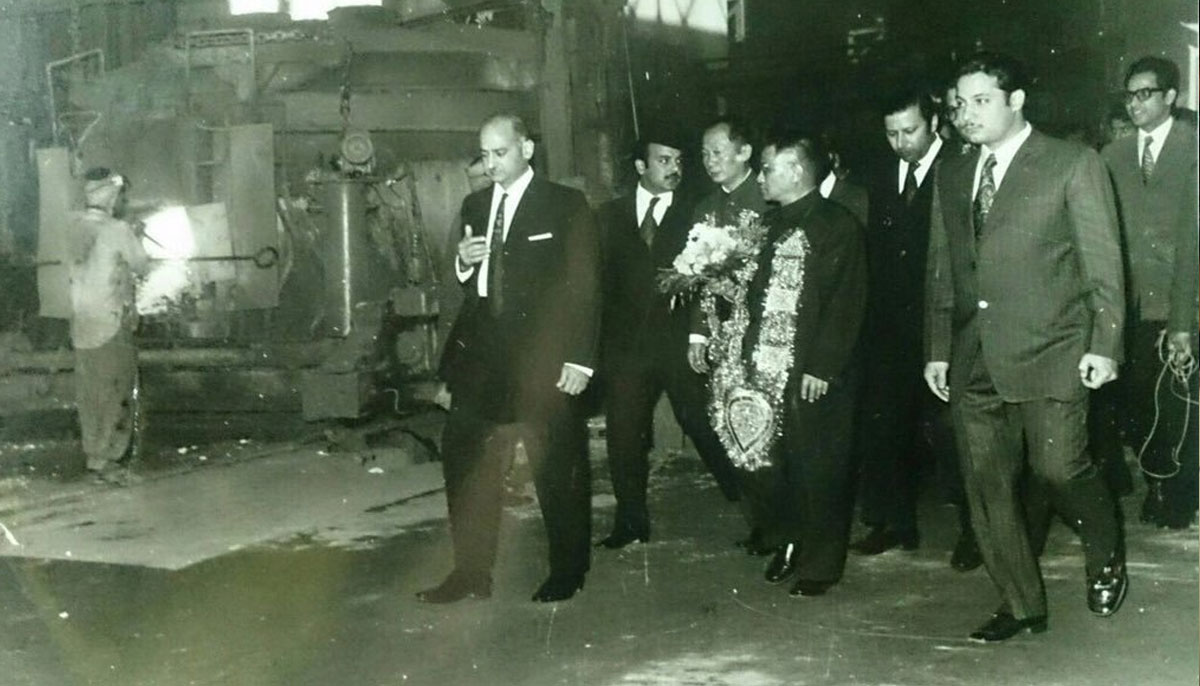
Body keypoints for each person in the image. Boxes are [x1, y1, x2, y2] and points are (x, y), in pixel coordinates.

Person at [924, 52, 1128, 642]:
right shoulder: (954, 172)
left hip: (1055, 348)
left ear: (1017, 101)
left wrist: (1105, 343)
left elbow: (1103, 262)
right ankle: (1020, 603)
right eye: (959, 103)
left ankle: (1106, 550)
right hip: (973, 354)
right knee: (986, 486)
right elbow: (944, 267)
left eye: (980, 100)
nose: (966, 114)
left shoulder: (1071, 163)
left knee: (1059, 468)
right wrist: (938, 345)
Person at [419, 113, 601, 604]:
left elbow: (585, 288)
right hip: (480, 356)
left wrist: (580, 361)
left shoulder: (565, 205)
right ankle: (470, 573)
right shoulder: (475, 204)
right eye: (484, 155)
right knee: (464, 461)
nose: (490, 164)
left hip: (543, 357)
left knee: (555, 464)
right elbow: (473, 284)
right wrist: (465, 261)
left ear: (527, 149)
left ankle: (568, 569)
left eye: (500, 153)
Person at [709, 133, 866, 597]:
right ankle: (789, 539)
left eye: (768, 168)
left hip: (811, 373)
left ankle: (819, 565)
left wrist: (823, 367)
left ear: (797, 170)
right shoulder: (765, 224)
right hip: (760, 370)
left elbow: (846, 304)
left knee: (818, 469)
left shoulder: (837, 226)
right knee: (765, 464)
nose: (761, 177)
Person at [850, 87, 981, 571]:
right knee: (882, 425)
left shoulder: (963, 166)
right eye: (892, 133)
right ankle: (893, 523)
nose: (901, 142)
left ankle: (977, 528)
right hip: (888, 325)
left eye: (910, 131)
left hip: (944, 322)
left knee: (952, 432)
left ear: (934, 124)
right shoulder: (878, 172)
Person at [594, 129, 741, 549]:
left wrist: (698, 333)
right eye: (663, 160)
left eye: (678, 161)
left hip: (678, 343)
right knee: (623, 435)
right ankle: (631, 523)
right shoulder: (608, 216)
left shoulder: (698, 213)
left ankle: (746, 496)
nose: (674, 168)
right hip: (625, 349)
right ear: (641, 166)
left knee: (699, 422)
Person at [1101, 56, 1199, 529]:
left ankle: (1176, 491)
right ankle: (1159, 476)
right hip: (1129, 304)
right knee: (1137, 403)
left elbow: (1193, 241)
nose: (1135, 102)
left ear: (1170, 98)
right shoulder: (1112, 156)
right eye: (1130, 94)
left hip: (1184, 300)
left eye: (1145, 93)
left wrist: (1183, 321)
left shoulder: (1194, 147)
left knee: (1179, 403)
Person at [689, 117, 771, 552]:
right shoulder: (704, 208)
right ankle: (758, 522)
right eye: (704, 154)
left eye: (718, 152)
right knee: (731, 427)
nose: (710, 161)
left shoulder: (768, 198)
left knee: (769, 431)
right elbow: (698, 279)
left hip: (766, 337)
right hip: (723, 340)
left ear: (744, 153)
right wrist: (698, 336)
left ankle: (781, 525)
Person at [68, 167, 149, 484]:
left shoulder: (72, 227)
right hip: (111, 322)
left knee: (89, 392)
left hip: (81, 324)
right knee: (118, 388)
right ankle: (110, 459)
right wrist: (136, 236)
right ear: (111, 195)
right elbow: (141, 265)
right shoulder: (117, 230)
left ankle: (94, 457)